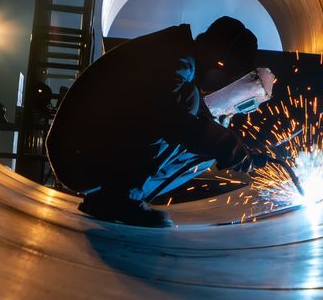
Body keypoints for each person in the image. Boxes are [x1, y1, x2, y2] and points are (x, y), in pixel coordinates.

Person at [46, 16, 264, 227]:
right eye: (227, 74)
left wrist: (231, 145)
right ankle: (120, 198)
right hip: (76, 157)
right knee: (191, 103)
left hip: (80, 152)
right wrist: (224, 143)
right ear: (220, 60)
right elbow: (167, 116)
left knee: (203, 144)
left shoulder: (177, 53)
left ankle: (118, 196)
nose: (222, 81)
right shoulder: (174, 58)